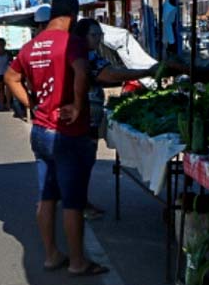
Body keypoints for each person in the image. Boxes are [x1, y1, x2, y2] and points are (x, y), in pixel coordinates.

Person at [5, 0, 108, 277]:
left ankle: (52, 255)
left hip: (40, 130)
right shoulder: (72, 42)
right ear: (73, 16)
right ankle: (77, 261)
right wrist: (76, 105)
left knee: (47, 196)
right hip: (66, 133)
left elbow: (10, 77)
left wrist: (31, 103)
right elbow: (80, 72)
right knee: (73, 201)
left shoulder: (30, 47)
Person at [72, 18, 182, 219]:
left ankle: (78, 203)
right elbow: (110, 74)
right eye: (94, 35)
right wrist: (146, 71)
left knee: (82, 164)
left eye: (100, 35)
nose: (99, 39)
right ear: (82, 37)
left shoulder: (86, 55)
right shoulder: (86, 58)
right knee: (82, 164)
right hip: (83, 120)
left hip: (88, 120)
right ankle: (79, 206)